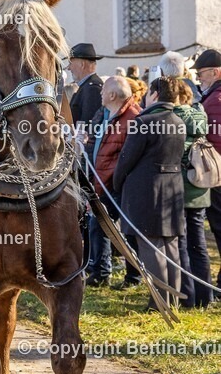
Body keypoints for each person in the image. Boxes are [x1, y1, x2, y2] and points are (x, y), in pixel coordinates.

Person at [113, 76, 186, 309]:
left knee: (150, 247)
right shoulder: (178, 120)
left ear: (154, 94)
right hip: (172, 188)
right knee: (170, 246)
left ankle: (159, 302)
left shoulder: (144, 122)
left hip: (147, 191)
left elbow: (126, 159)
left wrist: (117, 182)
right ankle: (171, 299)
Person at [84, 76, 141, 286]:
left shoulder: (133, 118)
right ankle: (100, 273)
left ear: (112, 95)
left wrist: (105, 181)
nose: (100, 93)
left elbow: (126, 157)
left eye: (103, 90)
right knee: (99, 226)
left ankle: (133, 276)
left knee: (127, 231)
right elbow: (98, 144)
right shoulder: (106, 114)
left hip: (119, 185)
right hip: (103, 181)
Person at [173, 80, 212, 308]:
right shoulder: (201, 115)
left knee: (182, 243)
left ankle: (188, 296)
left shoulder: (175, 119)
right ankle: (205, 296)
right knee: (198, 244)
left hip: (180, 188)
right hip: (199, 188)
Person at [192, 48, 221, 285]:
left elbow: (216, 140)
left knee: (219, 228)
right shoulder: (213, 96)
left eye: (201, 73)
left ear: (215, 72)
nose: (198, 77)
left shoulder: (216, 99)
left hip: (217, 175)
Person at [68, 43, 104, 130]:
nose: (69, 68)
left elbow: (89, 125)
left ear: (82, 64)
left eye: (70, 63)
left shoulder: (92, 88)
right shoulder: (86, 86)